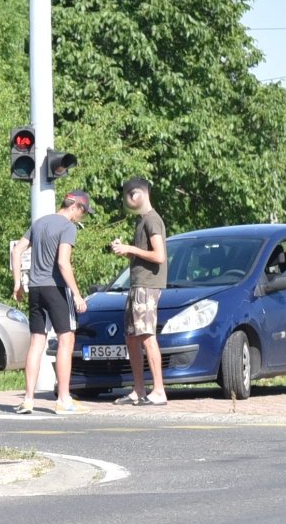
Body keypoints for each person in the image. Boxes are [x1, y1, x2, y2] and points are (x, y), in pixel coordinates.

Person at [10, 189, 94, 415]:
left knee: (37, 341)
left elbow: (17, 250)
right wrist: (76, 294)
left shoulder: (39, 223)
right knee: (67, 339)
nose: (81, 217)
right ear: (76, 207)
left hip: (35, 288)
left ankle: (28, 399)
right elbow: (64, 263)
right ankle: (63, 399)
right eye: (83, 212)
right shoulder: (68, 227)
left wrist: (18, 283)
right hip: (55, 288)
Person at [110, 177, 168, 406]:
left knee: (146, 336)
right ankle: (138, 390)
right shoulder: (141, 221)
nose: (125, 201)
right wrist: (126, 252)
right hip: (137, 285)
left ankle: (159, 391)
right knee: (132, 337)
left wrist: (131, 248)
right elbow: (145, 255)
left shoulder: (152, 220)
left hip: (147, 286)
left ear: (135, 195)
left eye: (126, 196)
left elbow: (159, 256)